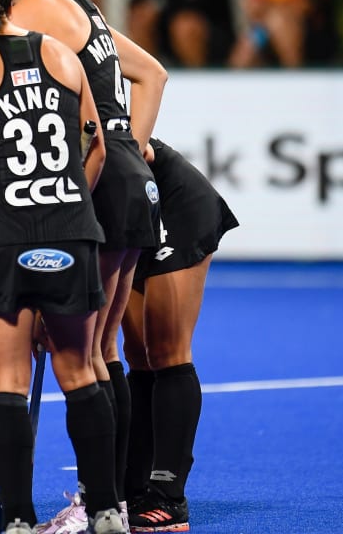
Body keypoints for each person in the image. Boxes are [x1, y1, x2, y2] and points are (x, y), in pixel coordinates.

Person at [0, 0, 167, 532]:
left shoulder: (28, 9)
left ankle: (96, 502)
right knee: (100, 348)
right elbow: (152, 75)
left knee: (88, 353)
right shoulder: (76, 1)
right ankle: (109, 501)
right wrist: (133, 150)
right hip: (126, 176)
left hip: (96, 180)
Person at [0, 0, 123, 534]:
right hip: (71, 228)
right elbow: (96, 147)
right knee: (80, 371)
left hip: (4, 234)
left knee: (9, 380)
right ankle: (108, 510)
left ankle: (17, 516)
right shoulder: (61, 54)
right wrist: (71, 200)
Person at [120, 138, 238, 533]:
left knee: (167, 349)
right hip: (126, 214)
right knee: (136, 352)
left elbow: (153, 74)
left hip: (171, 203)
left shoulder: (76, 93)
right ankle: (133, 487)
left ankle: (169, 497)